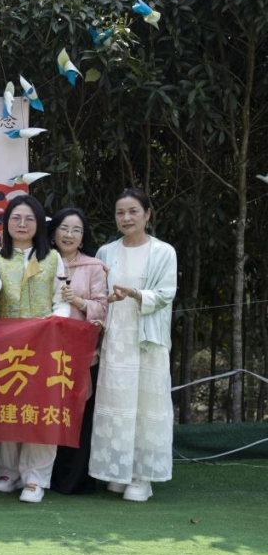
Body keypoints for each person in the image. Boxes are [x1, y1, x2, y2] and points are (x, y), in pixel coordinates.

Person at [0, 194, 71, 503]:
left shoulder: (53, 258)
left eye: (29, 219)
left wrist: (54, 322)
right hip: (7, 345)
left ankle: (35, 477)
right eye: (16, 218)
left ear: (39, 224)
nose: (22, 224)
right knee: (9, 406)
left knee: (42, 409)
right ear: (6, 223)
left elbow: (62, 300)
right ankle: (8, 471)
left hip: (45, 343)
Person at [89, 188, 177, 502]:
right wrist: (109, 300)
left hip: (148, 340)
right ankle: (118, 471)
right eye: (120, 213)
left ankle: (142, 476)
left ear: (147, 214)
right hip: (116, 338)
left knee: (147, 406)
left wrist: (136, 294)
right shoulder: (105, 252)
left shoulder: (164, 251)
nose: (126, 218)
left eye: (133, 211)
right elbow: (97, 295)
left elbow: (166, 294)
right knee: (117, 404)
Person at [47, 207, 108, 495]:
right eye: (64, 228)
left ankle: (74, 480)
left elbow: (103, 309)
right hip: (44, 352)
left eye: (76, 230)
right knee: (48, 412)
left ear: (83, 237)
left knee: (79, 415)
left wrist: (80, 302)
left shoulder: (94, 267)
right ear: (53, 232)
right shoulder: (41, 261)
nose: (69, 235)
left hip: (81, 353)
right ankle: (40, 475)